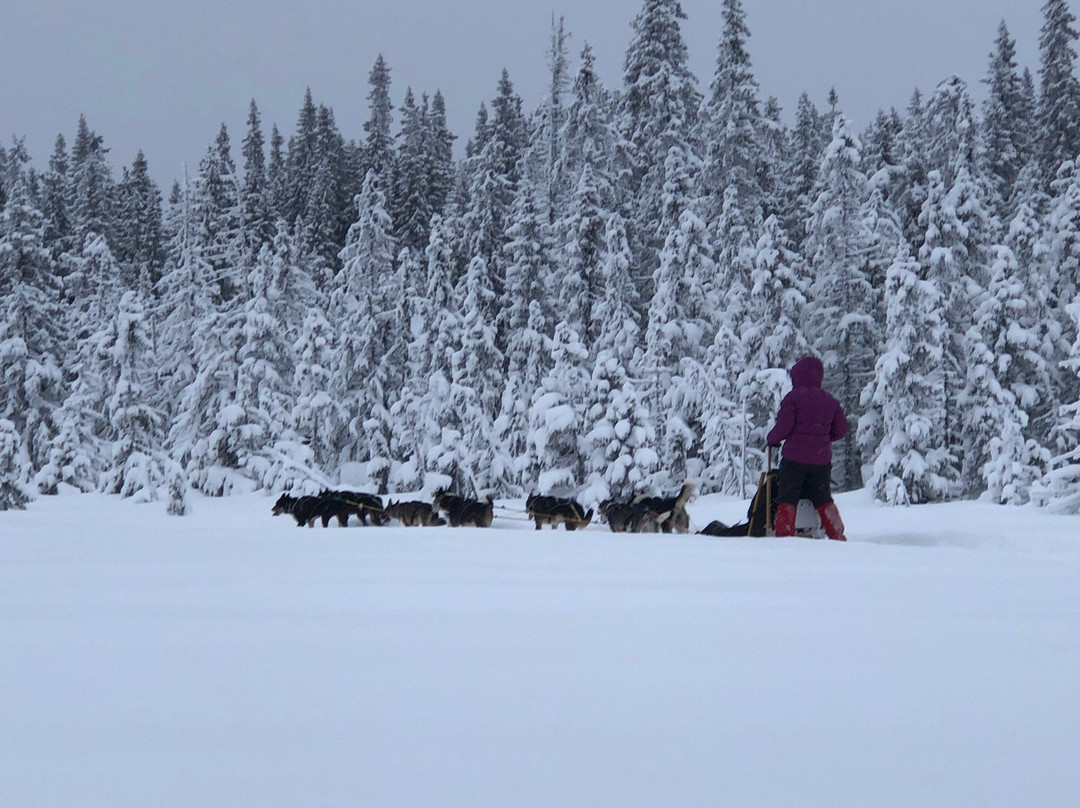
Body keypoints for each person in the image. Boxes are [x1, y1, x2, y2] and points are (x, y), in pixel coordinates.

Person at [765, 355, 848, 541]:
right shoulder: (830, 401)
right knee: (823, 499)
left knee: (787, 498)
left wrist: (771, 439)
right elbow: (841, 430)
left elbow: (783, 428)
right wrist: (823, 439)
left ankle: (785, 535)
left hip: (794, 460)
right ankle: (837, 534)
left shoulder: (793, 398)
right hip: (821, 461)